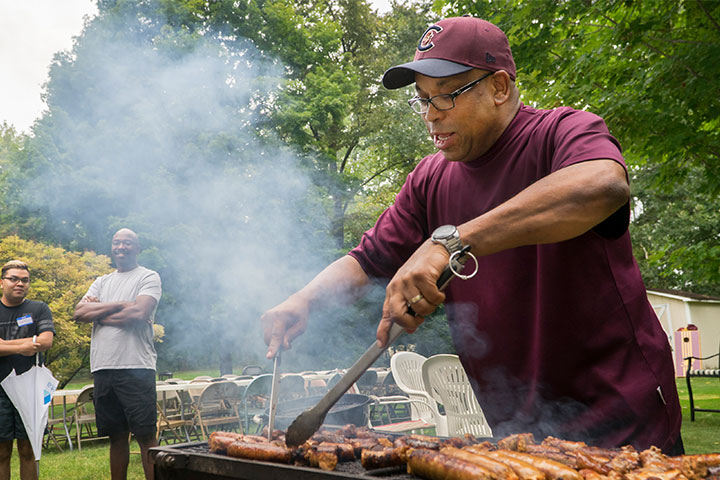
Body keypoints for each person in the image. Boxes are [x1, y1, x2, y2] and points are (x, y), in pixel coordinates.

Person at [261, 16, 682, 453]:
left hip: (622, 415)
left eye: (445, 97)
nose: (430, 116)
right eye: (422, 100)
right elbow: (368, 260)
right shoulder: (429, 179)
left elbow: (602, 186)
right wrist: (303, 300)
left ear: (499, 87)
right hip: (517, 426)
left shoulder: (563, 132)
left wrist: (451, 242)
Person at [73, 229, 161, 480]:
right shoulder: (102, 281)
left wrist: (98, 312)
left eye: (128, 242)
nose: (121, 247)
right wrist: (122, 304)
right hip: (103, 368)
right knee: (116, 435)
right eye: (116, 242)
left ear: (138, 247)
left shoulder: (148, 277)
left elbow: (138, 314)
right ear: (112, 247)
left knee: (145, 435)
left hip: (136, 367)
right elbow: (79, 313)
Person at [0, 260, 54, 480]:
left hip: (30, 387)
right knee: (1, 451)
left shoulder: (38, 308)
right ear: (2, 282)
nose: (19, 283)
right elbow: (32, 344)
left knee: (28, 448)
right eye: (13, 279)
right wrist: (23, 345)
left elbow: (46, 341)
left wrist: (5, 344)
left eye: (24, 280)